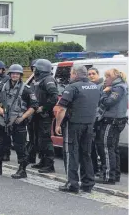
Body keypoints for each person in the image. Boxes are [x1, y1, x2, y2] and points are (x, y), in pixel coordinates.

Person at [55, 65, 101, 193]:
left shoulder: (72, 87)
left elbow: (62, 109)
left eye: (71, 73)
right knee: (86, 154)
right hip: (89, 124)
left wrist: (58, 125)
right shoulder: (95, 87)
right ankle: (88, 183)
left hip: (73, 124)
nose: (70, 75)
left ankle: (72, 184)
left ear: (75, 73)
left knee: (71, 154)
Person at [0, 64, 38, 178]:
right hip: (3, 120)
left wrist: (23, 117)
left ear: (20, 75)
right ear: (9, 75)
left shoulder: (26, 89)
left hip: (18, 121)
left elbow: (34, 106)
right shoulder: (2, 86)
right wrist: (0, 110)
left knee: (20, 146)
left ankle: (22, 170)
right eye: (13, 73)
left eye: (17, 74)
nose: (15, 75)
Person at [95, 68, 128, 185]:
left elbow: (109, 102)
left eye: (107, 77)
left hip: (112, 122)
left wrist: (104, 92)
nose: (105, 80)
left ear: (113, 77)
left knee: (107, 149)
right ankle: (115, 175)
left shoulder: (118, 88)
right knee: (113, 149)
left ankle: (109, 176)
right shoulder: (121, 86)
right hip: (116, 121)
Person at [32, 59, 59, 173]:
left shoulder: (48, 79)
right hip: (37, 115)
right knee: (39, 140)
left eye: (35, 68)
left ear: (40, 69)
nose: (34, 70)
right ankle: (43, 161)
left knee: (46, 139)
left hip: (45, 115)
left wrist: (43, 108)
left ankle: (49, 164)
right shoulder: (38, 80)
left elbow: (54, 96)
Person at [88, 67, 104, 176]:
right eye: (89, 74)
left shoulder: (102, 86)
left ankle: (102, 169)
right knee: (91, 146)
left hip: (99, 119)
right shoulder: (89, 86)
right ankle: (94, 169)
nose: (91, 76)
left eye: (93, 73)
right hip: (91, 119)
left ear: (98, 74)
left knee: (101, 146)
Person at [27, 59, 40, 164]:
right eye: (33, 68)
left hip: (40, 112)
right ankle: (31, 157)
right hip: (31, 112)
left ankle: (42, 160)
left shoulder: (43, 79)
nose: (35, 70)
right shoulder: (32, 79)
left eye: (37, 67)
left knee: (39, 138)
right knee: (32, 137)